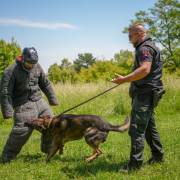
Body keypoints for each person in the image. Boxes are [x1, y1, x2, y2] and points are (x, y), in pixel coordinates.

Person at [110, 23, 165, 172]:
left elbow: (145, 69)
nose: (129, 40)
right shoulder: (150, 46)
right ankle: (158, 156)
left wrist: (125, 79)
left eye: (130, 36)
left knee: (136, 129)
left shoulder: (144, 48)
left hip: (145, 94)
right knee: (149, 127)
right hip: (149, 92)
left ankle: (134, 165)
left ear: (139, 35)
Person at [0, 47, 58, 164]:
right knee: (22, 131)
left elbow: (45, 84)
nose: (31, 65)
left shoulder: (37, 66)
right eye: (28, 62)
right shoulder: (10, 71)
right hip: (23, 104)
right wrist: (7, 112)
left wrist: (53, 100)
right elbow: (5, 93)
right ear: (22, 58)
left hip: (40, 101)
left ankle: (48, 151)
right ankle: (6, 159)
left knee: (53, 124)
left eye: (33, 63)